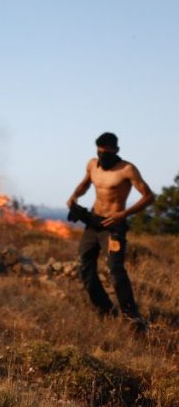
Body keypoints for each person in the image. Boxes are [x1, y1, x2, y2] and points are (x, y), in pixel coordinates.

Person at [66, 132, 155, 332]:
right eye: (100, 151)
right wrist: (73, 198)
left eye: (107, 151)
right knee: (85, 268)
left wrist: (123, 214)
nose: (103, 155)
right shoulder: (92, 164)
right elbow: (85, 183)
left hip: (114, 226)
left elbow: (149, 197)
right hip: (93, 222)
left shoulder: (127, 169)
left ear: (116, 150)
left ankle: (133, 318)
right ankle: (106, 311)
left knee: (115, 270)